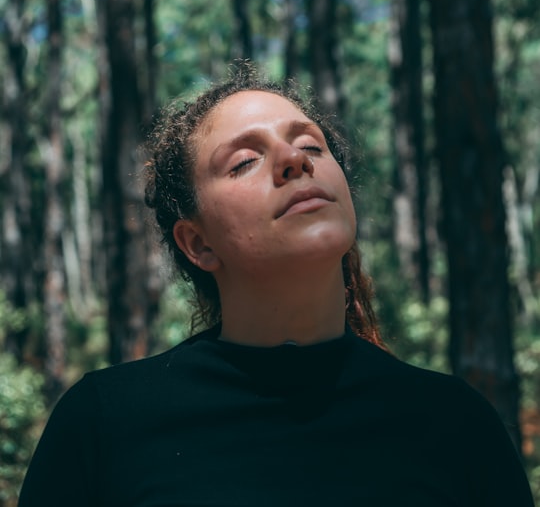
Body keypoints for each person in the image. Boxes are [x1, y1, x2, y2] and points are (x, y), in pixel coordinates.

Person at [19, 66, 534, 506]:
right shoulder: (103, 425)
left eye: (311, 144)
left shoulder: (457, 425)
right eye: (244, 161)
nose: (296, 160)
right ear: (197, 243)